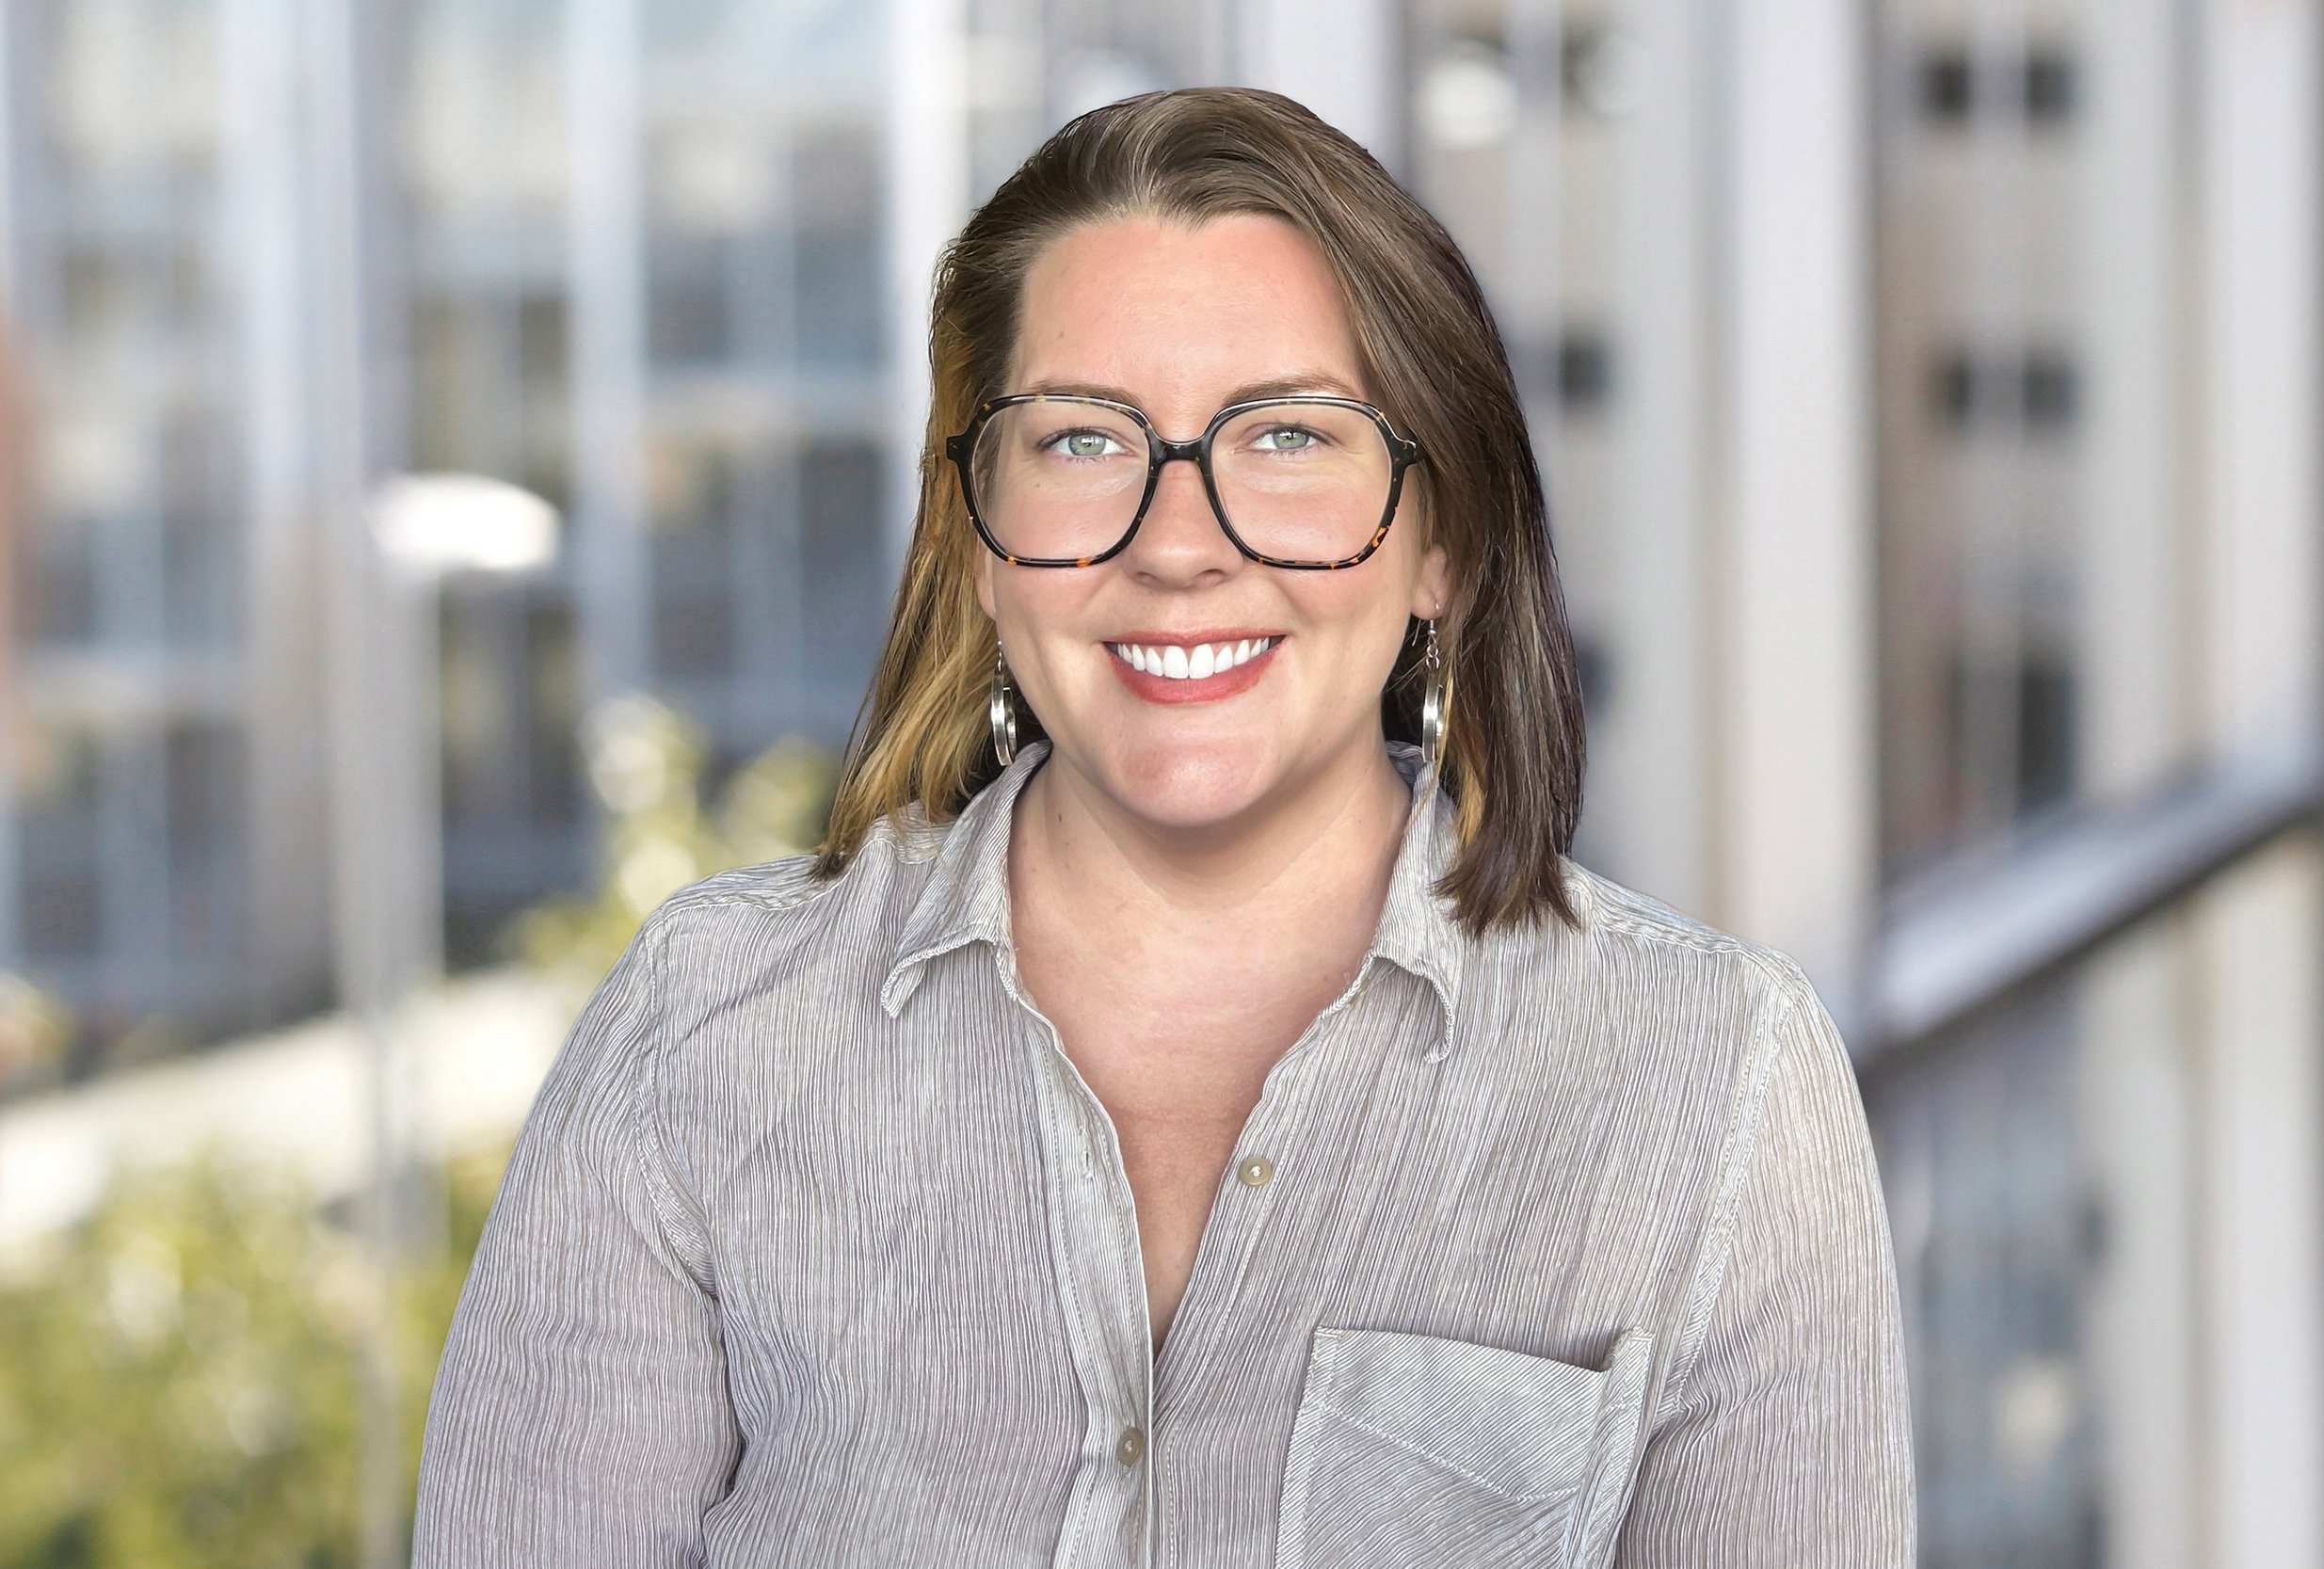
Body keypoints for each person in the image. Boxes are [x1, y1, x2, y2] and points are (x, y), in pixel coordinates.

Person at [412, 86, 1913, 1567]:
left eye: (1288, 437)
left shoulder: (1717, 1085)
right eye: (1082, 443)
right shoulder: (708, 1037)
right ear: (982, 540)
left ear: (1441, 539)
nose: (1178, 545)